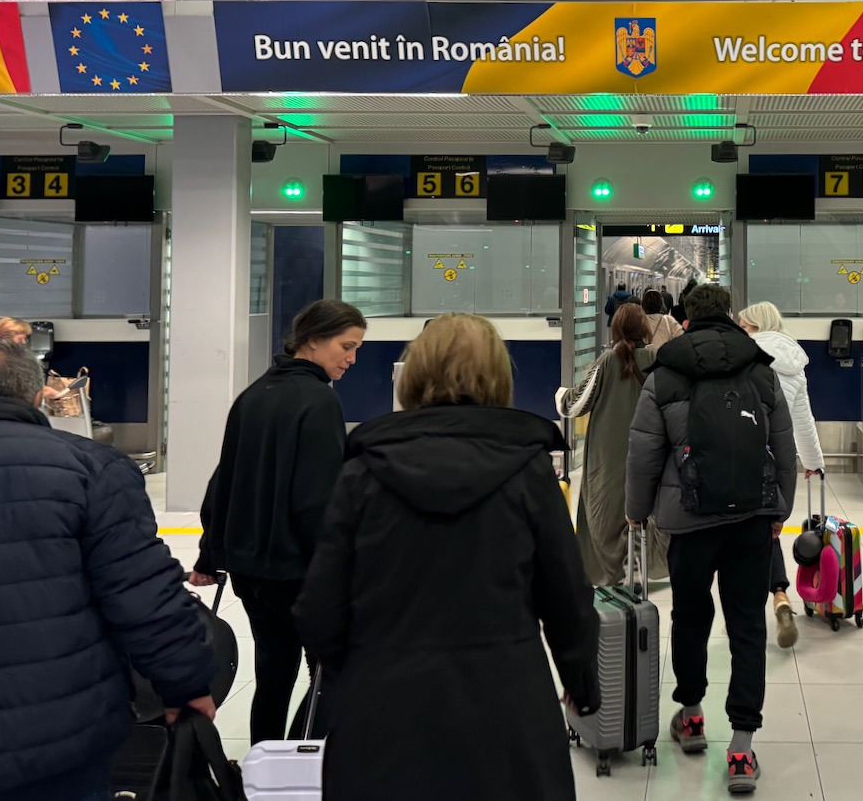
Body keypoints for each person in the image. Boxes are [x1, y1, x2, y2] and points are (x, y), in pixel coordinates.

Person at [294, 314, 600, 801]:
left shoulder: (363, 473)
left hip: (382, 712)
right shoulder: (527, 472)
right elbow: (568, 594)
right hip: (507, 705)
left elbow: (318, 607)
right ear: (499, 376)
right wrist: (580, 683)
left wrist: (358, 671)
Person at [0, 340, 215, 801]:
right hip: (52, 732)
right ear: (35, 399)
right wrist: (185, 684)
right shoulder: (90, 468)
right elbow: (142, 593)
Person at [626, 284, 797, 794]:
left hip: (690, 523)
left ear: (685, 320)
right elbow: (783, 449)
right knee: (747, 627)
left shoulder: (664, 372)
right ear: (727, 315)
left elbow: (643, 454)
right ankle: (742, 748)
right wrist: (778, 512)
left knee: (690, 617)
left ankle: (693, 716)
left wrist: (637, 514)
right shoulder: (761, 369)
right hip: (751, 519)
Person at [191, 299, 367, 745]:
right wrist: (340, 568)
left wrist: (210, 553)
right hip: (297, 571)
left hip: (251, 572)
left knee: (273, 674)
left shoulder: (254, 395)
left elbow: (224, 479)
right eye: (346, 347)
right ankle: (304, 765)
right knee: (332, 670)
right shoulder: (318, 401)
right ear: (312, 341)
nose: (352, 358)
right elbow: (317, 500)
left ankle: (264, 767)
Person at [556, 301, 668, 586]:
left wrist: (561, 395)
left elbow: (575, 405)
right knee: (649, 509)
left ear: (615, 328)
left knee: (603, 517)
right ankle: (648, 568)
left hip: (609, 456)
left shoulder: (608, 361)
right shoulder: (659, 358)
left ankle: (610, 574)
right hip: (652, 452)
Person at [737, 301, 824, 651]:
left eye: (744, 326)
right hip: (778, 459)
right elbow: (802, 417)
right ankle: (779, 595)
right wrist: (813, 460)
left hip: (744, 453)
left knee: (741, 531)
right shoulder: (794, 361)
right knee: (768, 529)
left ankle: (745, 611)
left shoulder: (746, 356)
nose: (741, 331)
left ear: (755, 327)